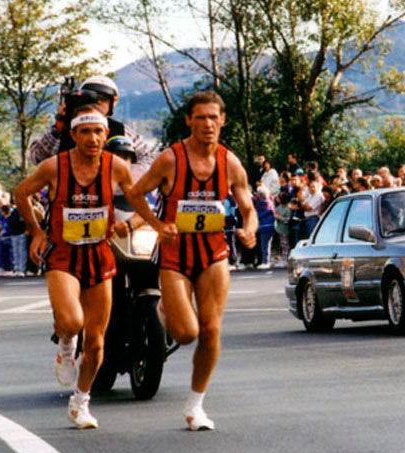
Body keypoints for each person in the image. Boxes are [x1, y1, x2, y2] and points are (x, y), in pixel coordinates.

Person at [126, 90, 258, 431]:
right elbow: (136, 193)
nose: (208, 124)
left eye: (214, 117)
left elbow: (248, 209)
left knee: (211, 330)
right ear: (189, 121)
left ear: (223, 120)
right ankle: (165, 310)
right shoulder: (171, 159)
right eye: (200, 118)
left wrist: (249, 230)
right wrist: (157, 225)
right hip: (175, 255)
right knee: (186, 333)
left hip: (213, 254)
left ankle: (195, 405)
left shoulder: (230, 163)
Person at [14, 104, 135, 429]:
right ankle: (65, 344)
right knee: (71, 321)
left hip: (99, 255)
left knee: (96, 342)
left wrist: (135, 223)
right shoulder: (55, 167)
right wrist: (37, 231)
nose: (93, 138)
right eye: (85, 132)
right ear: (74, 135)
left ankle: (80, 402)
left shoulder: (118, 168)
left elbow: (138, 200)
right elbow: (21, 192)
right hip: (63, 255)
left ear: (106, 133)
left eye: (98, 131)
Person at [29, 75, 154, 167]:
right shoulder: (64, 128)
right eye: (92, 98)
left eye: (104, 99)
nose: (98, 103)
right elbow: (38, 159)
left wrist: (127, 174)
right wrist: (59, 126)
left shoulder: (121, 131)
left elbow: (148, 158)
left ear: (113, 103)